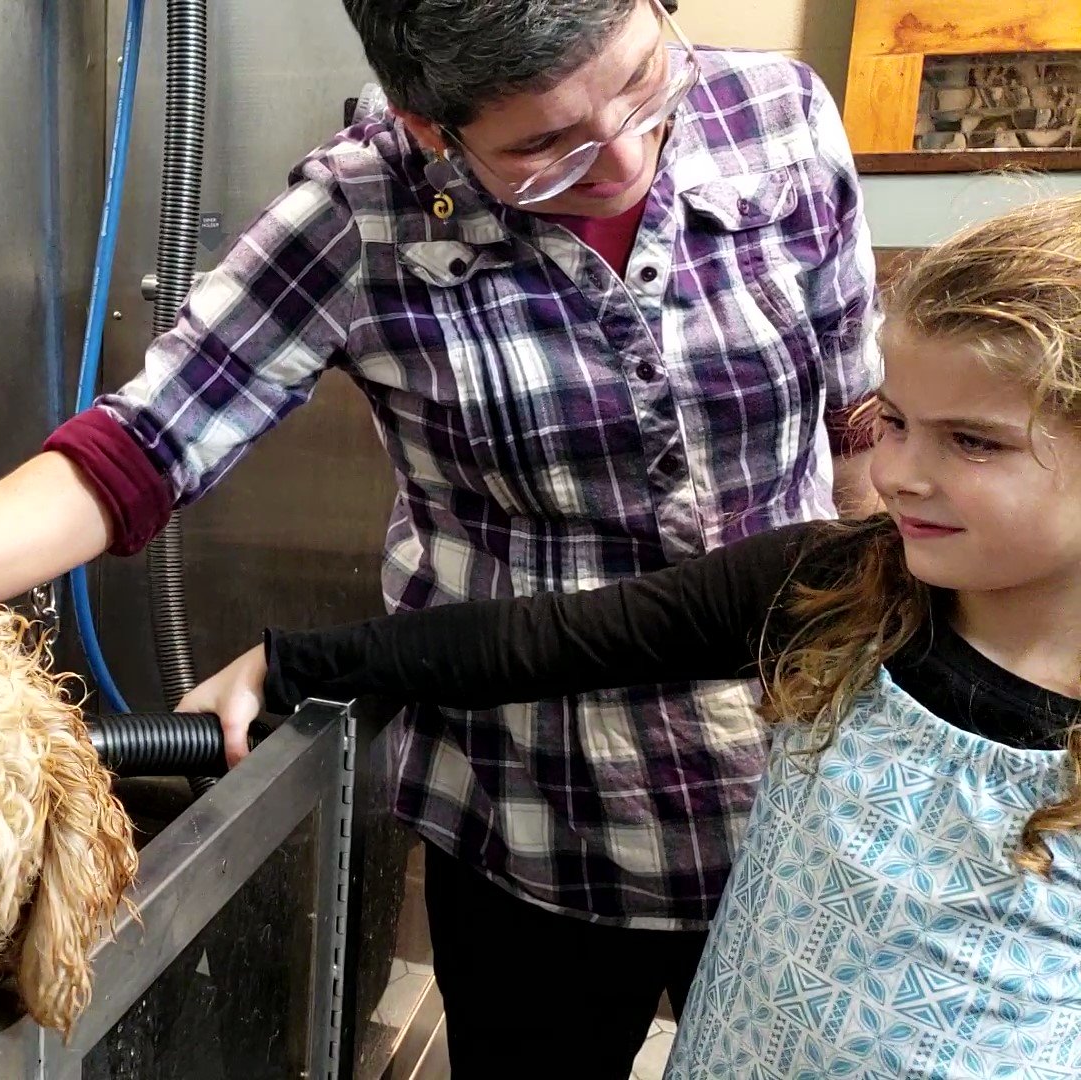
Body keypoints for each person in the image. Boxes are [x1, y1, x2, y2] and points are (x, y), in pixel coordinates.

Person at [0, 1, 880, 1072]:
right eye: (545, 151)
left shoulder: (780, 117)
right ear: (432, 130)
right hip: (534, 811)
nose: (623, 159)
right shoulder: (361, 210)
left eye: (645, 86)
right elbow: (139, 449)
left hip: (802, 783)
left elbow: (864, 422)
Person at [182, 192, 1081, 1077]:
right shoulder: (835, 586)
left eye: (972, 442)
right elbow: (553, 638)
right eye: (892, 423)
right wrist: (290, 661)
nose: (895, 475)